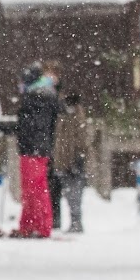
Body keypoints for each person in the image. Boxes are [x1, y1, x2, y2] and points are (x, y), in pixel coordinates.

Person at [12, 64, 59, 238]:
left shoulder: (36, 99)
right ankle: (30, 225)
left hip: (33, 149)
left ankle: (40, 226)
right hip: (34, 148)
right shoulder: (42, 97)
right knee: (32, 190)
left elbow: (26, 125)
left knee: (36, 190)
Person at [53, 91, 88, 234]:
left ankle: (76, 222)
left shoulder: (76, 119)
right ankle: (74, 221)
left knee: (74, 194)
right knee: (70, 195)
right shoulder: (66, 118)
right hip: (64, 162)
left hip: (72, 162)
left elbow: (80, 141)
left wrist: (77, 159)